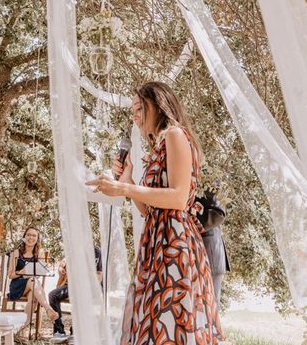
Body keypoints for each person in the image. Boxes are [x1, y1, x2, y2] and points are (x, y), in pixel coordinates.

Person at [88, 81, 223, 344]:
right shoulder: (158, 146)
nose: (135, 116)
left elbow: (178, 197)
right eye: (133, 110)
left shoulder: (175, 135)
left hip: (175, 245)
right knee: (155, 324)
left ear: (157, 105)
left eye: (139, 108)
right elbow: (148, 209)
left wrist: (121, 188)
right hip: (156, 241)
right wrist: (127, 182)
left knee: (172, 322)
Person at [7, 226, 59, 336]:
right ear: (24, 237)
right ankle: (48, 309)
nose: (31, 237)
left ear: (37, 238)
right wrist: (23, 271)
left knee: (33, 298)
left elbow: (40, 272)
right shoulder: (16, 252)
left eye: (34, 235)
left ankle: (21, 331)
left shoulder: (39, 253)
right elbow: (10, 275)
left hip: (32, 285)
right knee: (33, 281)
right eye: (28, 235)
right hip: (17, 285)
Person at [49, 247, 102, 343]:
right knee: (52, 295)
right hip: (73, 285)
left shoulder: (96, 252)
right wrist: (61, 267)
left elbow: (99, 277)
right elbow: (64, 261)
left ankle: (75, 332)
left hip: (90, 286)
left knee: (80, 294)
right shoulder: (74, 248)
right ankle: (59, 331)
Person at [195, 190, 231, 308]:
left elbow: (218, 213)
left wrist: (189, 218)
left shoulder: (210, 177)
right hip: (194, 251)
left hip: (210, 250)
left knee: (210, 310)